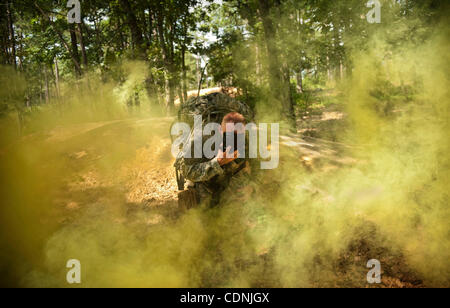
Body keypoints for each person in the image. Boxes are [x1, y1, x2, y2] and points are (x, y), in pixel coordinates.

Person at [182, 112, 252, 208]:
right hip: (204, 182)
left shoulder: (246, 142)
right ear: (219, 130)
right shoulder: (201, 141)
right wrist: (216, 163)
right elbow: (187, 172)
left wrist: (251, 186)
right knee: (203, 209)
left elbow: (257, 169)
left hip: (229, 182)